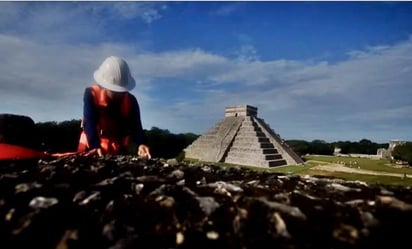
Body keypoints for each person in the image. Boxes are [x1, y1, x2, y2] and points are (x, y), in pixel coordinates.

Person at [77, 56, 151, 159]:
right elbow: (90, 122)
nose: (119, 95)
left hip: (116, 147)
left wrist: (141, 143)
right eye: (114, 91)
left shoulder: (131, 101)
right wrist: (95, 145)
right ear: (104, 86)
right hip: (91, 145)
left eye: (121, 92)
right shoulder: (91, 94)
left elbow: (137, 127)